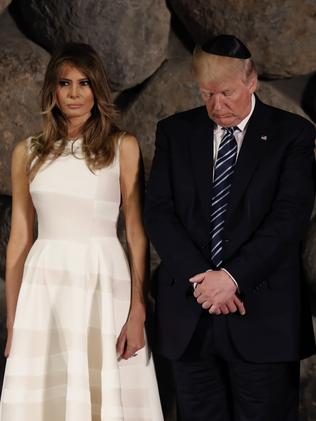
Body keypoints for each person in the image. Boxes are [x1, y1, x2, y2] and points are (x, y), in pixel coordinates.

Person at [144, 34, 316, 421]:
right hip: (192, 313)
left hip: (262, 315)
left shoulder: (293, 134)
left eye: (226, 93)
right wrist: (204, 280)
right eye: (206, 94)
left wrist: (232, 278)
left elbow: (288, 218)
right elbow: (159, 213)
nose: (216, 106)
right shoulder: (175, 132)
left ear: (251, 82)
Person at [0, 42, 163, 421]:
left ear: (98, 89)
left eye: (85, 83)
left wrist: (138, 310)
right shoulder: (28, 151)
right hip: (45, 284)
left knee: (103, 387)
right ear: (52, 90)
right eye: (65, 83)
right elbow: (20, 237)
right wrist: (13, 320)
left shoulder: (122, 146)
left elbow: (136, 233)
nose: (74, 93)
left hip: (102, 279)